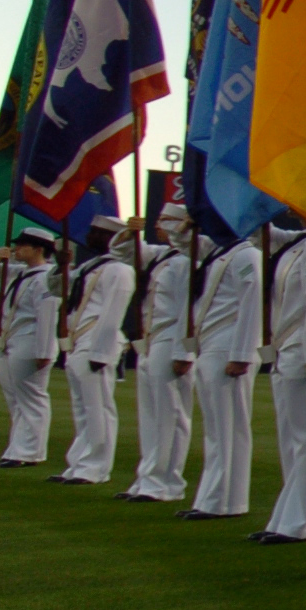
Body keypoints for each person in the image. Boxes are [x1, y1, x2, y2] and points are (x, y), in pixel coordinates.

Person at [255, 222, 306, 545]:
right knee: (291, 438)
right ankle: (289, 515)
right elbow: (256, 233)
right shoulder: (295, 244)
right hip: (285, 347)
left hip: (303, 349)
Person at [183, 224, 262, 520]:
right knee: (216, 429)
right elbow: (182, 238)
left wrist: (242, 354)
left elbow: (251, 303)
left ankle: (226, 500)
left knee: (229, 428)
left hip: (228, 346)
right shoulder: (220, 254)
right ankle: (211, 497)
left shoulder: (246, 256)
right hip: (210, 343)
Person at [117, 207, 196, 503]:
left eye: (167, 221)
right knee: (151, 415)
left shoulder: (189, 261)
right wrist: (130, 232)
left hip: (171, 336)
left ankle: (165, 482)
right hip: (151, 338)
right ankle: (148, 477)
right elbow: (125, 251)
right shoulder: (162, 256)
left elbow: (188, 309)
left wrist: (183, 351)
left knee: (170, 414)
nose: (160, 226)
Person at [53, 217, 135, 485]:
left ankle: (95, 467)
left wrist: (101, 352)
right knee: (82, 408)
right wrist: (60, 265)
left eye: (96, 232)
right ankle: (78, 463)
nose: (89, 236)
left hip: (96, 340)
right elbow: (55, 288)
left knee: (98, 407)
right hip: (77, 340)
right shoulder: (88, 266)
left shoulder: (119, 270)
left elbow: (113, 313)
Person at [0, 231, 60, 469]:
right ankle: (16, 449)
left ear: (39, 249)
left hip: (30, 340)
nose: (17, 250)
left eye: (22, 246)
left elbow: (47, 314)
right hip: (11, 339)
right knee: (15, 399)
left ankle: (30, 451)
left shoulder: (46, 277)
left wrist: (45, 350)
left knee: (32, 398)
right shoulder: (21, 274)